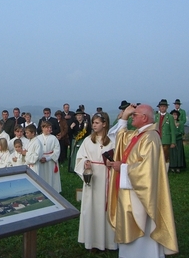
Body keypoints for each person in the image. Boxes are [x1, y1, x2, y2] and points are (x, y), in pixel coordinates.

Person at [107, 104, 178, 257]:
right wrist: (124, 118)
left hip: (141, 197)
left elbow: (146, 170)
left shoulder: (151, 137)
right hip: (130, 191)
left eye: (135, 115)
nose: (133, 116)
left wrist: (123, 168)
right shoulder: (139, 134)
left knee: (144, 234)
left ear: (144, 118)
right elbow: (121, 138)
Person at [74, 112, 117, 252]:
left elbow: (119, 158)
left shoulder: (112, 141)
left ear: (104, 124)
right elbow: (79, 158)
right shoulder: (88, 140)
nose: (94, 125)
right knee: (91, 208)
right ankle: (92, 241)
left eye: (97, 122)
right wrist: (85, 163)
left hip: (107, 177)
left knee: (106, 207)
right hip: (92, 179)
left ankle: (109, 242)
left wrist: (113, 163)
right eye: (93, 122)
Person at [38, 121, 61, 192]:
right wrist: (39, 158)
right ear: (42, 128)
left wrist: (47, 158)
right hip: (40, 160)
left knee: (51, 176)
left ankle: (53, 191)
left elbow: (57, 151)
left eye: (50, 127)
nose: (49, 129)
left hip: (50, 161)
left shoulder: (53, 138)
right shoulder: (38, 138)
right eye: (47, 127)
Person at [154, 99, 177, 172]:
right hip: (157, 138)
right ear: (159, 107)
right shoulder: (156, 116)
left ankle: (165, 172)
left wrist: (173, 141)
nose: (162, 108)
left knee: (166, 156)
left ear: (166, 107)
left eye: (164, 106)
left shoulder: (169, 117)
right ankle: (158, 171)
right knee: (157, 156)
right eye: (161, 106)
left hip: (166, 139)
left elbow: (172, 130)